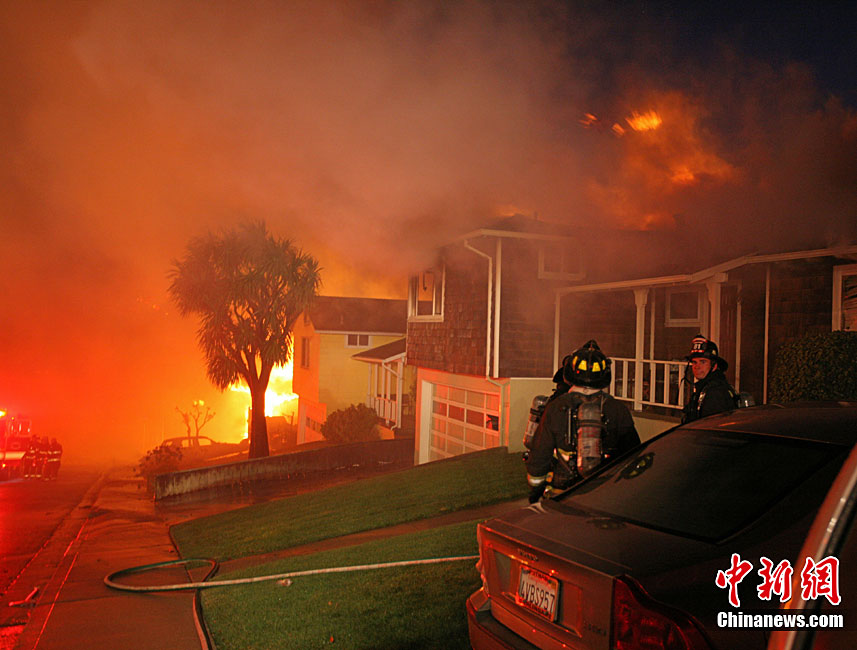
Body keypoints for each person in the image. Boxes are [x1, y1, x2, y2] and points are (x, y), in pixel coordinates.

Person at [525, 339, 640, 503]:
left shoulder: (556, 407)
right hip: (604, 494)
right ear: (605, 375)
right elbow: (633, 453)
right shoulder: (617, 408)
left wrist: (535, 491)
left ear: (569, 372)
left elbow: (540, 455)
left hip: (563, 494)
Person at [681, 334, 736, 424]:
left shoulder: (715, 393)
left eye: (703, 362)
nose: (697, 367)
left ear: (714, 366)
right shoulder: (704, 388)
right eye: (694, 362)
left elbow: (711, 426)